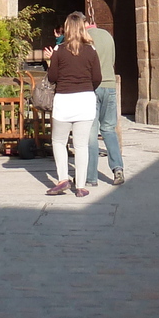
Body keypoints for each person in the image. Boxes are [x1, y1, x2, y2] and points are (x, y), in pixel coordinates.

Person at [45, 12, 102, 197]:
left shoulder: (59, 50)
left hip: (64, 100)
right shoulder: (91, 50)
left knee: (59, 141)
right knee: (81, 145)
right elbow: (97, 78)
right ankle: (81, 186)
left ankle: (63, 179)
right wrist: (86, 88)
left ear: (67, 28)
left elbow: (52, 77)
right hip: (85, 100)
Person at [84, 1, 125, 187]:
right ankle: (118, 168)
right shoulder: (108, 36)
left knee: (91, 134)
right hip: (109, 85)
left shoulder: (84, 39)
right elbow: (113, 60)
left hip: (92, 88)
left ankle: (91, 177)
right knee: (109, 130)